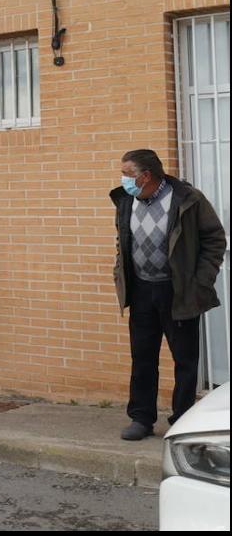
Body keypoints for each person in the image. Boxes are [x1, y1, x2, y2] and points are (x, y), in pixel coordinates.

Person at [112, 149, 226, 441]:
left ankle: (182, 420)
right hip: (141, 291)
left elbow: (214, 239)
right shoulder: (126, 200)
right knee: (143, 357)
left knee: (185, 361)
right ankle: (141, 418)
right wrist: (120, 271)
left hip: (178, 291)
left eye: (127, 174)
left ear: (146, 175)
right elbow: (123, 241)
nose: (123, 179)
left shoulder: (187, 199)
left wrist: (200, 282)